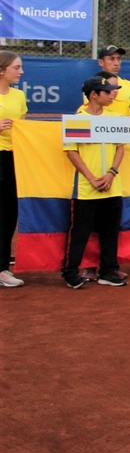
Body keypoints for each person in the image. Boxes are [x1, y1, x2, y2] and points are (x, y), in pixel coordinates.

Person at [62, 76, 127, 289]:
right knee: (80, 231)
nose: (112, 95)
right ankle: (70, 272)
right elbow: (71, 152)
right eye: (107, 92)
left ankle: (108, 271)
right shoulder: (77, 119)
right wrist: (91, 178)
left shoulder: (115, 117)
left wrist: (111, 173)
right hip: (86, 189)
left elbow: (120, 147)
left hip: (112, 186)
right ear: (94, 95)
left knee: (111, 231)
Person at [0, 52, 27, 287]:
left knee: (9, 214)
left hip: (12, 159)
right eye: (16, 68)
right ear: (2, 70)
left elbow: (25, 127)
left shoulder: (19, 96)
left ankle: (2, 269)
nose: (21, 72)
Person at [82, 45, 130, 118]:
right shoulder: (92, 84)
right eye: (111, 59)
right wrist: (124, 110)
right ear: (101, 62)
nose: (116, 63)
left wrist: (120, 111)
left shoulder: (129, 85)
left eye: (119, 59)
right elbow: (93, 109)